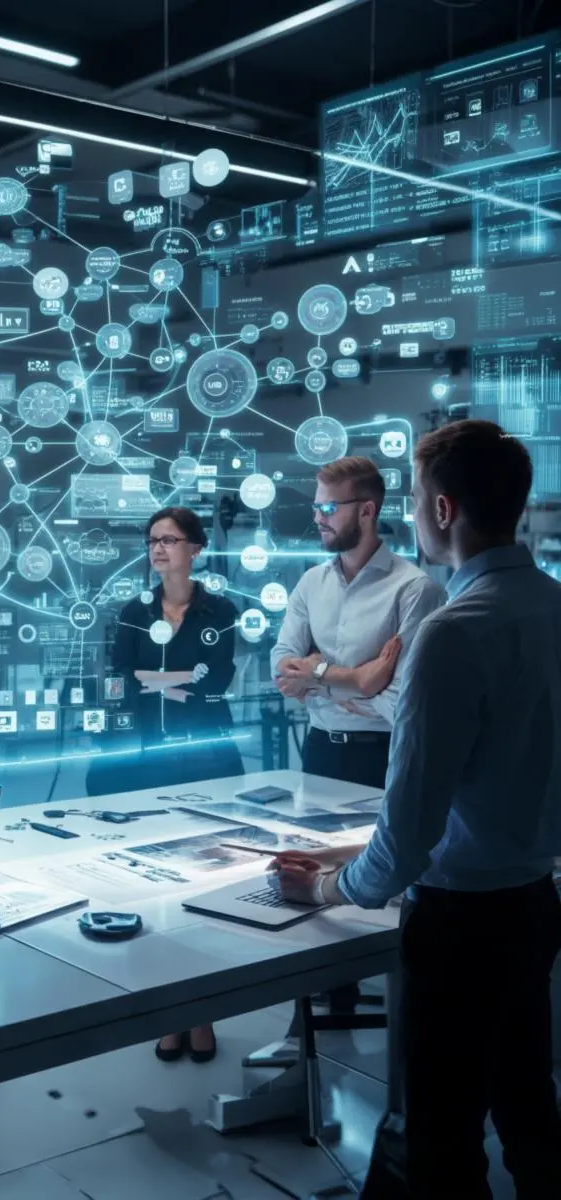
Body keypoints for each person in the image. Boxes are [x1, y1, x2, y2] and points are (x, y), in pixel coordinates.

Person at [273, 421, 561, 1199]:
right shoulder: (550, 606)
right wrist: (356, 677)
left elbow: (406, 841)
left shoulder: (448, 630)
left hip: (461, 922)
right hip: (536, 903)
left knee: (440, 1135)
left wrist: (327, 889)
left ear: (441, 508)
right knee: (532, 1113)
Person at [270, 456, 443, 1029]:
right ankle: (314, 1022)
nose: (317, 518)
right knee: (308, 875)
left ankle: (398, 1023)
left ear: (366, 510)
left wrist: (321, 675)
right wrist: (360, 677)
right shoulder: (309, 582)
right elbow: (282, 670)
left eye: (327, 507)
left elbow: (401, 702)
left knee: (381, 883)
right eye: (315, 506)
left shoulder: (415, 589)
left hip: (381, 756)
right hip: (320, 750)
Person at [109, 506, 243, 1066]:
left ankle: (203, 1011)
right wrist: (178, 682)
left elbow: (218, 682)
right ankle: (169, 1011)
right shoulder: (131, 612)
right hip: (144, 763)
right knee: (154, 891)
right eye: (153, 540)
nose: (159, 548)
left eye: (170, 539)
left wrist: (160, 683)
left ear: (196, 549)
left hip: (204, 762)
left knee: (203, 889)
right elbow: (119, 680)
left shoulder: (222, 609)